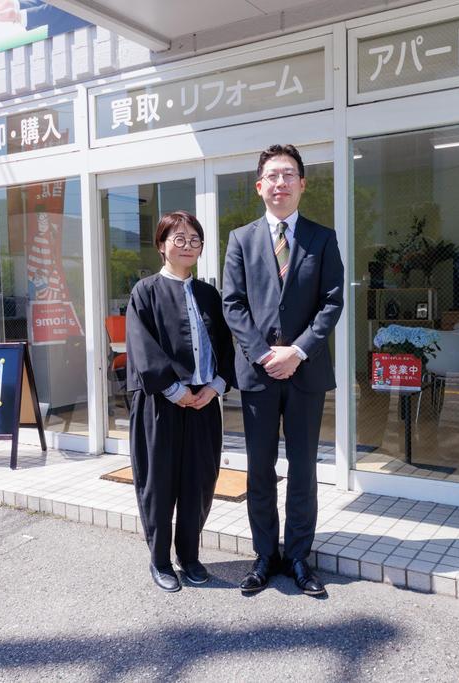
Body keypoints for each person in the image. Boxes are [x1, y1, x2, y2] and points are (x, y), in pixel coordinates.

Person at [222, 144, 344, 596]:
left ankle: (297, 556)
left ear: (302, 184)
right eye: (272, 176)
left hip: (305, 373)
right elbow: (233, 304)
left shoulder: (322, 238)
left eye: (288, 174)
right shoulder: (241, 239)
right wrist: (263, 354)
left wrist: (298, 350)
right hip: (259, 375)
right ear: (260, 186)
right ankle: (263, 555)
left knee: (304, 469)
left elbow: (332, 302)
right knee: (259, 468)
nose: (280, 183)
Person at [126, 210, 235, 593]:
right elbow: (142, 349)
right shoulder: (145, 292)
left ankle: (189, 557)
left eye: (194, 240)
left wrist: (216, 386)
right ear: (162, 245)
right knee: (159, 483)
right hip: (161, 404)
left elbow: (225, 346)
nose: (188, 246)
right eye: (179, 238)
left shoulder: (209, 295)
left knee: (199, 483)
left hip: (203, 402)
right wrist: (174, 390)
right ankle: (159, 560)